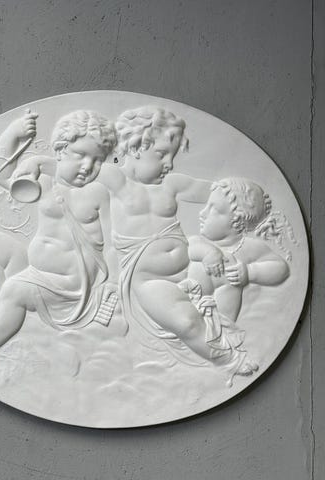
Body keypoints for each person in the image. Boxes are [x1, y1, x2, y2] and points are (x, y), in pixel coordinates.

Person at [93, 106, 258, 380]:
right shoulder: (116, 180)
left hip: (188, 264)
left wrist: (246, 200)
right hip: (149, 280)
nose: (169, 163)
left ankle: (223, 331)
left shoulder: (171, 184)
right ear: (135, 148)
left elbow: (216, 191)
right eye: (161, 154)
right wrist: (36, 164)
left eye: (173, 155)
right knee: (187, 322)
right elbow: (72, 170)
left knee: (231, 276)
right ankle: (229, 359)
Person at [0, 110, 118, 370]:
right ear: (61, 150)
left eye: (97, 160)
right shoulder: (44, 182)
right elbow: (3, 175)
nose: (88, 166)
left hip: (73, 286)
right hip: (37, 272)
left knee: (13, 290)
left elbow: (113, 242)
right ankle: (7, 319)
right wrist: (13, 134)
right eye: (80, 155)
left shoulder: (99, 192)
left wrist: (114, 283)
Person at [186, 177, 292, 323]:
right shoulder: (200, 242)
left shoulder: (250, 247)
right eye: (206, 206)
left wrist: (250, 272)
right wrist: (206, 254)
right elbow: (186, 249)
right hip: (189, 305)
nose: (202, 213)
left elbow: (281, 268)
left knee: (230, 273)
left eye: (214, 209)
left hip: (220, 314)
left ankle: (222, 327)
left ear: (237, 220)